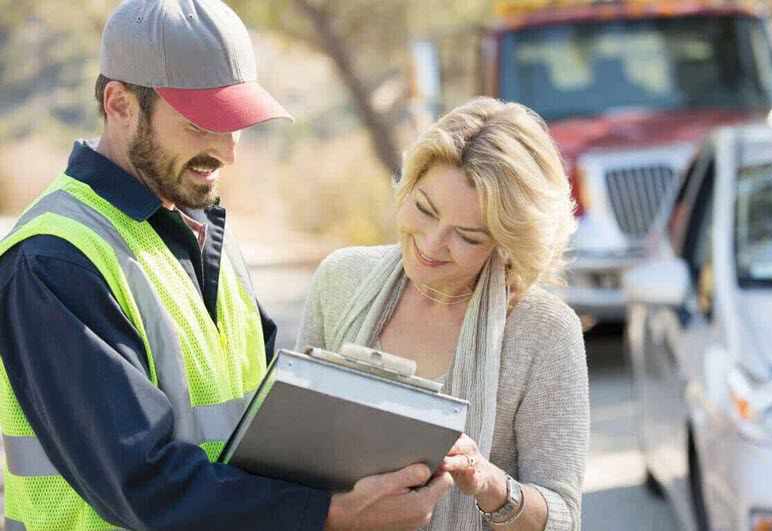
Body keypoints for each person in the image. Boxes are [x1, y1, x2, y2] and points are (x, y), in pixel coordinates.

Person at [0, 0, 452, 529]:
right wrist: (331, 515)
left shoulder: (201, 223)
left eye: (235, 124)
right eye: (200, 125)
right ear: (120, 103)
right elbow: (142, 482)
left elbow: (257, 419)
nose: (227, 152)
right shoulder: (54, 261)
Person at [297, 97, 590, 531]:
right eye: (425, 210)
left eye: (467, 237)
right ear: (409, 184)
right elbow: (295, 454)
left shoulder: (544, 331)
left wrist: (487, 482)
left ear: (506, 242)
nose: (432, 245)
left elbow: (563, 519)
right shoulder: (340, 280)